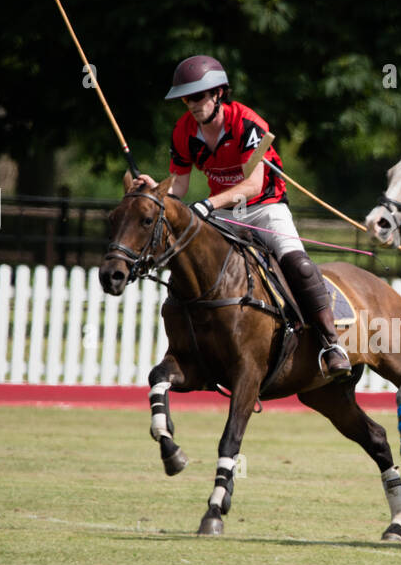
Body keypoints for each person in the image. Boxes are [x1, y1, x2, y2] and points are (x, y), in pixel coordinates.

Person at [134, 54, 350, 378]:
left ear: (218, 93)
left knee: (299, 264)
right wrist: (156, 192)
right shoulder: (183, 131)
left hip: (265, 206)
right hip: (222, 211)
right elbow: (178, 184)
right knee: (191, 260)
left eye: (197, 97)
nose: (191, 105)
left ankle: (331, 344)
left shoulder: (249, 124)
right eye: (185, 99)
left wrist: (209, 205)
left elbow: (253, 184)